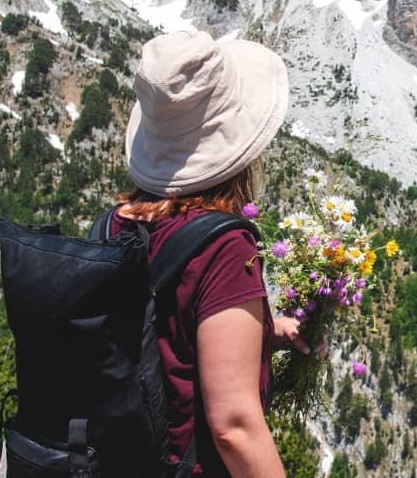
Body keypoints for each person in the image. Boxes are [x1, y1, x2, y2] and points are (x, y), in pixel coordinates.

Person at [108, 29, 307, 477]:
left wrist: (260, 336)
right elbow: (234, 427)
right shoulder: (223, 246)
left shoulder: (115, 222)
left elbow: (158, 337)